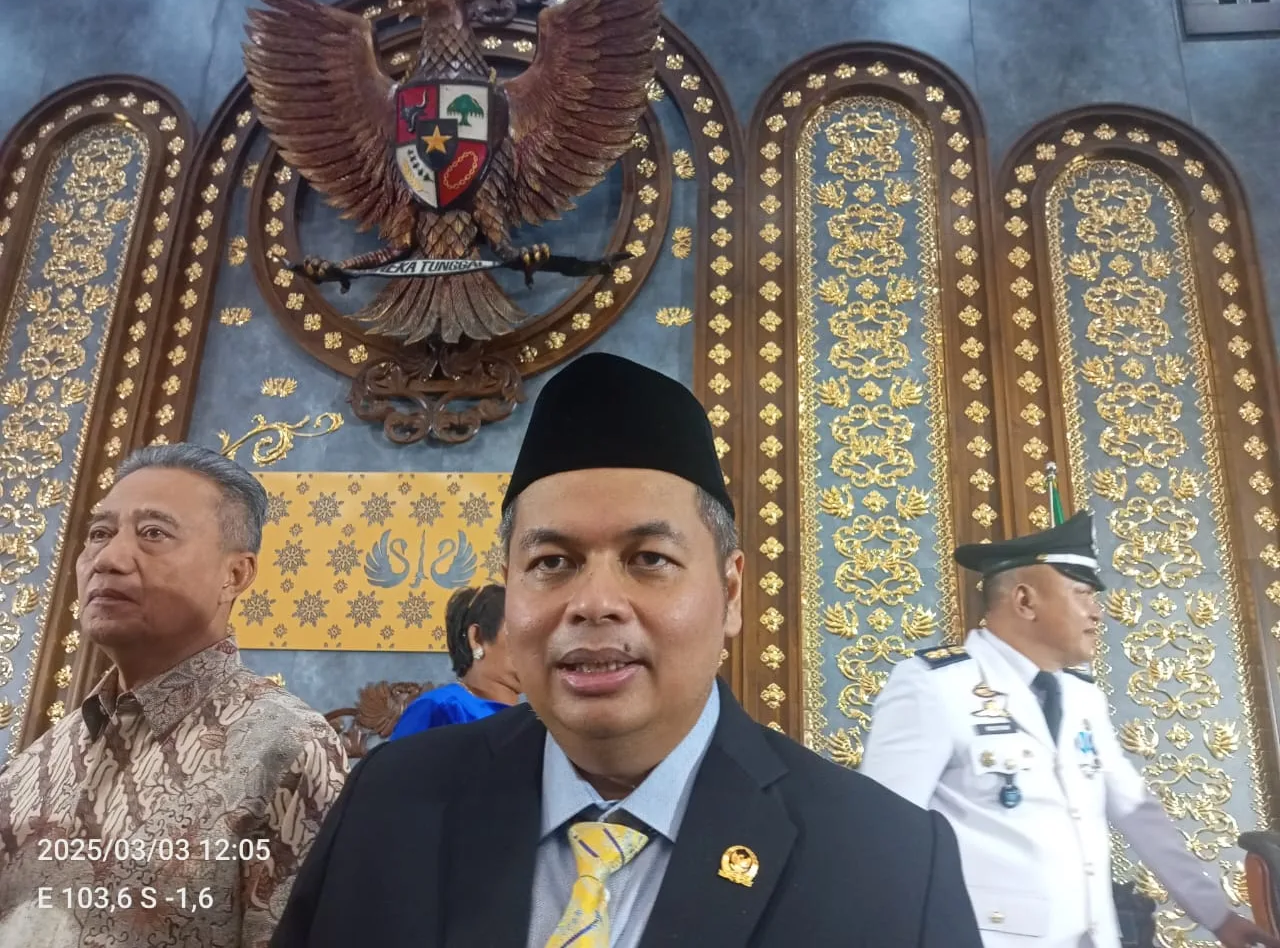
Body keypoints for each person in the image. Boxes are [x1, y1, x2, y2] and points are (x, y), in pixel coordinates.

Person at [269, 352, 982, 947]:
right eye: (552, 562)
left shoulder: (887, 861)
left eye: (648, 559)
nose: (594, 602)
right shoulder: (392, 804)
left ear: (732, 593)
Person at [860, 512, 1278, 948]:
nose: (1097, 613)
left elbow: (1140, 816)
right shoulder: (935, 686)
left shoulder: (1082, 696)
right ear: (1025, 601)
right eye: (1082, 594)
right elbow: (883, 834)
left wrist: (1218, 917)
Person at [0, 443, 348, 948]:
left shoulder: (288, 748)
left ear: (235, 574)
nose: (108, 559)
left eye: (153, 534)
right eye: (99, 534)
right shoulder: (35, 765)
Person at [389, 584, 519, 738]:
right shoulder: (440, 708)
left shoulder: (531, 718)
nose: (535, 648)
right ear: (476, 638)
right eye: (518, 633)